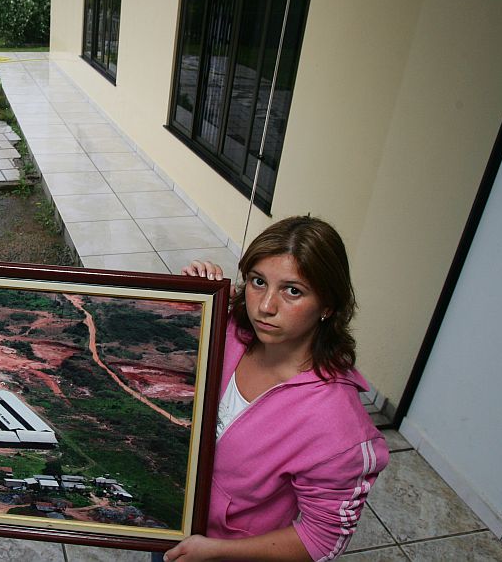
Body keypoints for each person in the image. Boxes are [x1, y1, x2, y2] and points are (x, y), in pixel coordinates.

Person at [166, 216, 388, 562]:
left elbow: (321, 539)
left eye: (292, 291)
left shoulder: (338, 425)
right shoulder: (226, 330)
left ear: (328, 306)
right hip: (168, 521)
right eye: (258, 282)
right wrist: (191, 304)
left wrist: (217, 552)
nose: (266, 307)